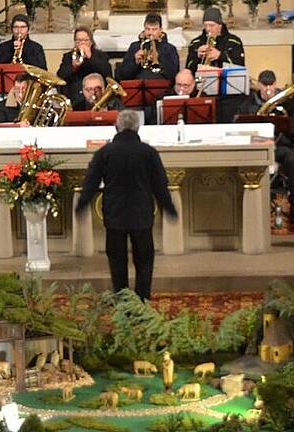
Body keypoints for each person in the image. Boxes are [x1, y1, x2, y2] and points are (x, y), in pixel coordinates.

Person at [76, 110, 177, 301]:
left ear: (117, 127)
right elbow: (160, 184)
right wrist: (169, 209)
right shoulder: (148, 152)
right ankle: (142, 300)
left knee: (117, 261)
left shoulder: (105, 152)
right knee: (144, 262)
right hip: (141, 213)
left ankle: (122, 301)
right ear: (137, 127)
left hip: (115, 214)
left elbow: (91, 181)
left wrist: (82, 204)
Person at [233, 70, 294, 223]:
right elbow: (238, 125)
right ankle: (247, 202)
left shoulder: (287, 104)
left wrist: (287, 126)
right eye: (264, 85)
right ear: (258, 85)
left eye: (271, 85)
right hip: (255, 146)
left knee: (292, 159)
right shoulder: (249, 103)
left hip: (279, 146)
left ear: (275, 84)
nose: (268, 89)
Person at [116, 13, 179, 82]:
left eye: (154, 29)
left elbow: (174, 75)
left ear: (160, 30)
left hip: (163, 87)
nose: (150, 33)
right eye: (147, 29)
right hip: (138, 85)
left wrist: (159, 59)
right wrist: (135, 62)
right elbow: (122, 75)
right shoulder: (135, 47)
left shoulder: (170, 49)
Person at [56, 27, 113, 105]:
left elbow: (107, 73)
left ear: (91, 42)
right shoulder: (69, 56)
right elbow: (60, 76)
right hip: (75, 96)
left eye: (85, 40)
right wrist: (73, 67)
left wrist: (90, 57)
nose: (82, 44)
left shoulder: (100, 55)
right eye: (78, 41)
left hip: (97, 95)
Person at [185, 7, 245, 74]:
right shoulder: (195, 43)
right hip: (200, 81)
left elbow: (240, 66)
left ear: (220, 25)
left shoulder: (234, 42)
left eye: (211, 25)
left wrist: (220, 56)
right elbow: (188, 70)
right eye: (205, 25)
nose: (208, 29)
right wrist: (197, 56)